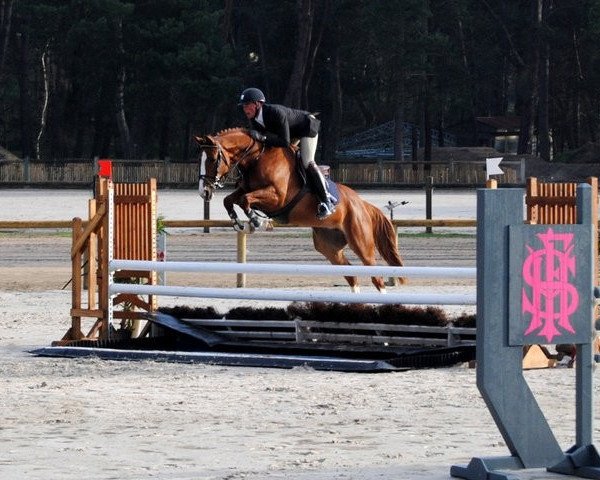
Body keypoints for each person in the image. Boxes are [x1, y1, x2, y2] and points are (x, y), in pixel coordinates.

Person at [237, 87, 336, 219]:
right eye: (243, 106)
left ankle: (327, 202)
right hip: (290, 133)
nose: (245, 109)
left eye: (247, 105)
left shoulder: (275, 112)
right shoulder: (254, 119)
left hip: (306, 128)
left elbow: (284, 141)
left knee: (307, 162)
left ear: (258, 104)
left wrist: (263, 138)